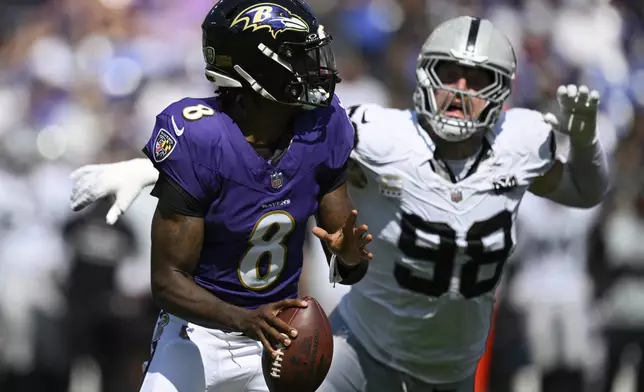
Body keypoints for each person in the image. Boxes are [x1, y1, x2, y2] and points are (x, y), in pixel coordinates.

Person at [70, 15, 609, 392]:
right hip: (346, 342)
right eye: (450, 76)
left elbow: (586, 192)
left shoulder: (521, 140)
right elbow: (253, 142)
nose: (462, 93)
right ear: (425, 77)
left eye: (479, 80)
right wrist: (152, 166)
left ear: (505, 90)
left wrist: (583, 144)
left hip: (450, 360)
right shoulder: (380, 133)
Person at [71, 1, 373, 391]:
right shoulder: (200, 137)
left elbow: (346, 259)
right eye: (297, 55)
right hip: (198, 334)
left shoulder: (323, 125)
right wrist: (242, 318)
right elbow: (167, 281)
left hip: (278, 336)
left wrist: (349, 257)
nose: (314, 67)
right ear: (256, 67)